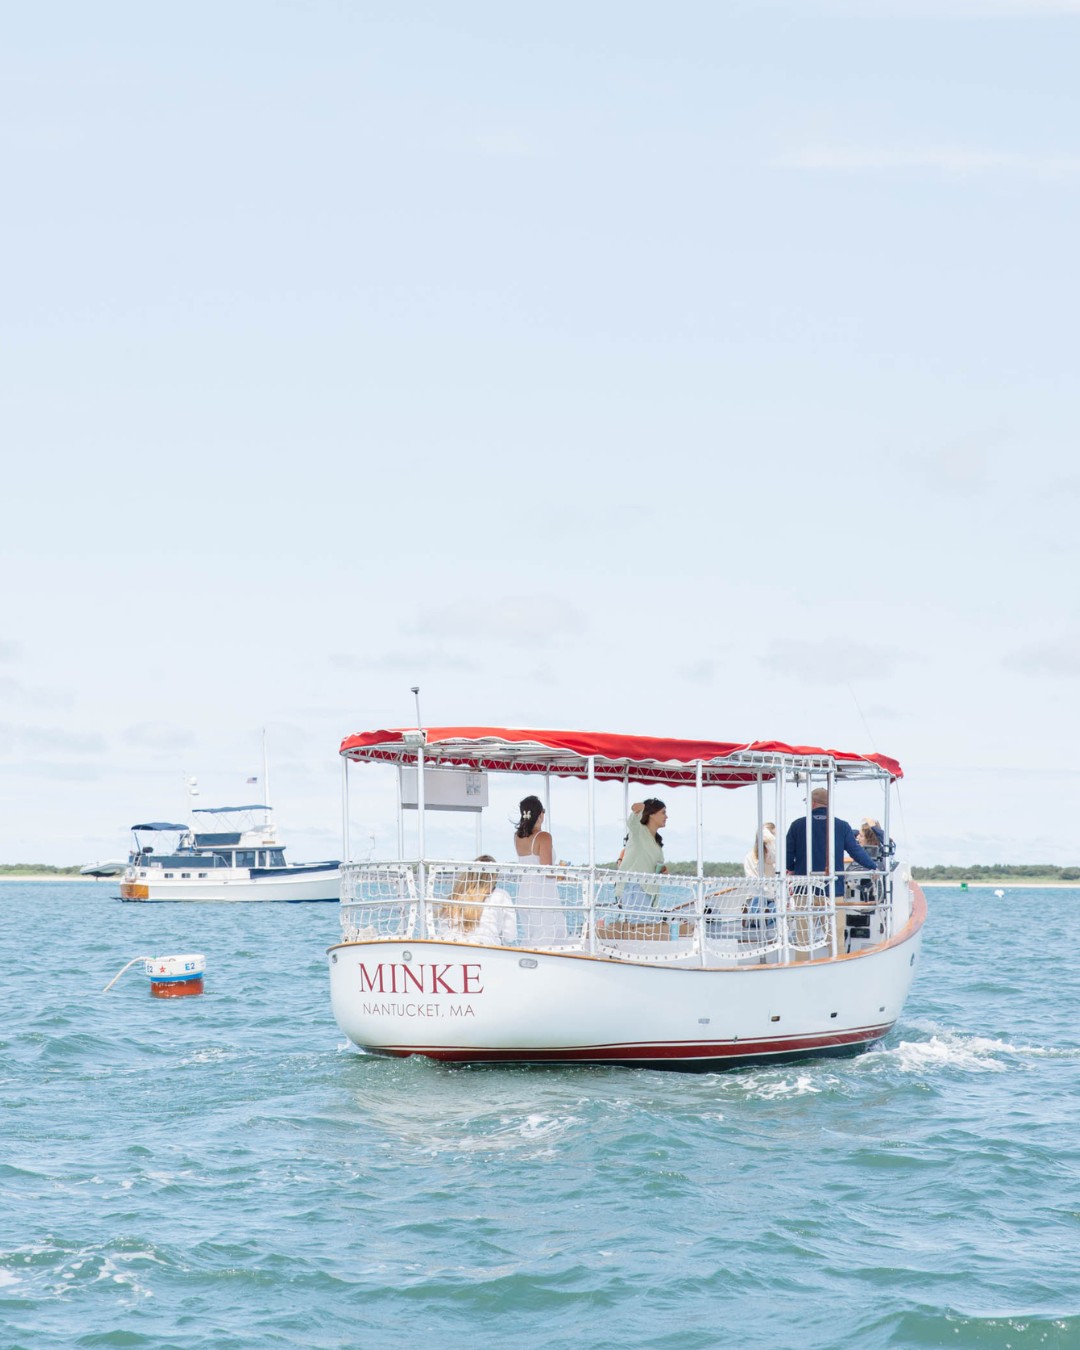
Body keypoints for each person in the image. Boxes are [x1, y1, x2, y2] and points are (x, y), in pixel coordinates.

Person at [785, 789, 879, 957]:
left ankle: (800, 969)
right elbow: (855, 852)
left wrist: (792, 868)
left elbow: (787, 856)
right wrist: (873, 866)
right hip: (832, 891)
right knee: (835, 939)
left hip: (804, 891)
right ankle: (836, 968)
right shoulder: (841, 826)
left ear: (813, 803)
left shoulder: (797, 825)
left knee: (803, 939)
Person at [512, 796, 565, 941]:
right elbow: (547, 871)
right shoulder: (544, 837)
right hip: (542, 892)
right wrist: (561, 871)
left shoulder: (517, 837)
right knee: (551, 933)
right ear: (540, 814)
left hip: (524, 892)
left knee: (532, 935)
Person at [444, 856, 517, 946]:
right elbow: (509, 936)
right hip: (486, 948)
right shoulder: (501, 895)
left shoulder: (456, 896)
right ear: (494, 876)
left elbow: (443, 928)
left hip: (450, 945)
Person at [616, 799, 668, 919]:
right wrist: (640, 807)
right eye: (663, 812)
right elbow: (632, 820)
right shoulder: (638, 830)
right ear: (652, 814)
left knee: (646, 930)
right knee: (639, 930)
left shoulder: (657, 842)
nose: (667, 816)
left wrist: (662, 870)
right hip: (635, 888)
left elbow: (653, 865)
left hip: (650, 891)